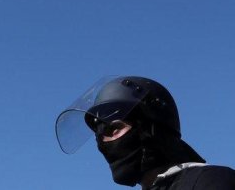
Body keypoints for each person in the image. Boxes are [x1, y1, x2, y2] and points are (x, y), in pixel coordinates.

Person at [56, 76, 235, 189]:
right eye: (99, 135)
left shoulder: (210, 180)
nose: (103, 143)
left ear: (152, 128)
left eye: (115, 129)